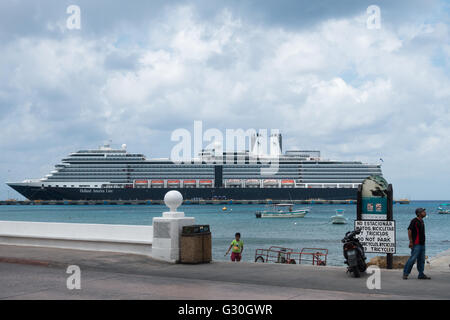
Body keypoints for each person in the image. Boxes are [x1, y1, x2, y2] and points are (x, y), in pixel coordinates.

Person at [403, 208, 431, 280]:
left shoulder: (421, 221)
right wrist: (411, 241)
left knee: (421, 260)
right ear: (419, 213)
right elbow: (409, 230)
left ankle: (421, 274)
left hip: (422, 244)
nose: (425, 213)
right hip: (416, 244)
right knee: (412, 259)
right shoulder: (414, 221)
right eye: (423, 212)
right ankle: (405, 273)